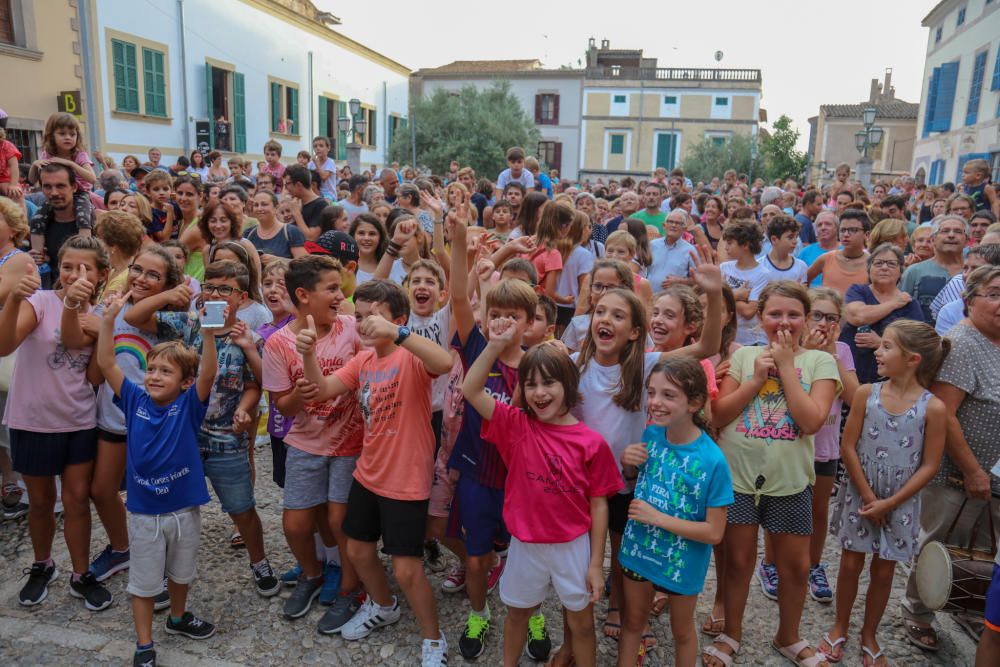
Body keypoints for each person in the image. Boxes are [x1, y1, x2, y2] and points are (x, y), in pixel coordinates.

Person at [297, 279, 452, 667]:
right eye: (361, 316)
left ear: (399, 319)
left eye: (375, 317)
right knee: (357, 549)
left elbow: (444, 363)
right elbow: (321, 389)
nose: (366, 325)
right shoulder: (363, 360)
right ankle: (384, 606)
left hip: (405, 479)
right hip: (369, 474)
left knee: (407, 569)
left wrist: (399, 333)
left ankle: (433, 638)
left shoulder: (410, 355)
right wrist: (310, 354)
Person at [462, 332, 622, 667]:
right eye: (530, 384)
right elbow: (471, 390)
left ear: (568, 384)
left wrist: (595, 565)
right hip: (525, 545)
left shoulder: (592, 443)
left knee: (580, 623)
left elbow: (599, 504)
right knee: (517, 614)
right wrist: (494, 345)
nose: (539, 393)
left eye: (548, 383)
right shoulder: (516, 425)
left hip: (573, 547)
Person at [124, 260, 281, 597]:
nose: (215, 294)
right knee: (174, 507)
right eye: (210, 286)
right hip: (181, 438)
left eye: (225, 289)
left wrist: (243, 408)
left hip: (226, 439)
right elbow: (133, 317)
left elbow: (257, 384)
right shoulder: (186, 326)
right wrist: (170, 292)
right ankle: (167, 573)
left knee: (241, 507)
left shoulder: (248, 337)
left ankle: (259, 562)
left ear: (240, 298)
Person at [705, 281, 840, 667]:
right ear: (760, 317)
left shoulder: (820, 363)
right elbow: (719, 414)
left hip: (790, 480)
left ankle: (788, 635)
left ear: (806, 318)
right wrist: (753, 380)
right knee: (738, 559)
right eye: (775, 314)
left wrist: (785, 368)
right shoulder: (745, 356)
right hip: (738, 478)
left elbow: (812, 420)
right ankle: (732, 631)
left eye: (793, 314)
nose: (784, 321)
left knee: (795, 565)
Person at [447, 201, 551, 661]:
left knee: (528, 557)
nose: (504, 322)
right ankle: (478, 614)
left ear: (530, 324)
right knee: (475, 558)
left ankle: (532, 614)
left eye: (514, 316)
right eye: (497, 314)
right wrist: (456, 243)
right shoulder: (475, 347)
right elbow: (456, 298)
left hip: (524, 481)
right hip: (477, 474)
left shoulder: (539, 367)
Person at [97, 292, 220, 667]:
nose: (153, 376)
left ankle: (179, 618)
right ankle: (144, 644)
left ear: (185, 383)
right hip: (145, 512)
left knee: (182, 572)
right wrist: (108, 320)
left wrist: (211, 333)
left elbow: (209, 373)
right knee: (145, 581)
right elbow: (106, 362)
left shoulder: (187, 405)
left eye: (165, 372)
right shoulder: (134, 399)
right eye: (151, 369)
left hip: (183, 507)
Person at [822, 320, 947, 666]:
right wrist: (867, 495)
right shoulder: (866, 394)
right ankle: (839, 626)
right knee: (849, 562)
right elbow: (848, 447)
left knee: (884, 569)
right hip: (861, 490)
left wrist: (890, 502)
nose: (878, 351)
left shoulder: (933, 407)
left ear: (913, 359)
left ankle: (869, 634)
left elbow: (929, 464)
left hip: (901, 500)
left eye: (887, 346)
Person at [0, 235, 113, 610]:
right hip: (31, 420)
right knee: (41, 502)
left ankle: (81, 574)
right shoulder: (40, 302)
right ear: (57, 268)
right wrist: (14, 297)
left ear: (101, 274)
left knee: (77, 500)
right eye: (67, 267)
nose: (73, 275)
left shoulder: (100, 316)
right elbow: (4, 346)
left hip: (78, 420)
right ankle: (42, 563)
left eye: (84, 268)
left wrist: (101, 335)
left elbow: (96, 378)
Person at [900, 264, 1000, 651]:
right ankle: (917, 610)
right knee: (939, 541)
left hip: (995, 474)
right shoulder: (962, 343)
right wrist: (973, 470)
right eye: (993, 293)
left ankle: (970, 606)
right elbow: (944, 415)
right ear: (970, 301)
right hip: (960, 472)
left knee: (984, 545)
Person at [262, 255, 365, 626]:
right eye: (332, 289)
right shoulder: (278, 344)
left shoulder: (351, 329)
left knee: (340, 520)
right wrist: (301, 394)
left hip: (351, 443)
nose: (341, 296)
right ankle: (312, 574)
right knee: (296, 525)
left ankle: (349, 588)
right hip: (304, 443)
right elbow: (283, 408)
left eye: (341, 288)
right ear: (303, 295)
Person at [617, 357, 733, 667]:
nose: (655, 402)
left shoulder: (713, 461)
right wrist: (629, 463)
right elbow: (636, 480)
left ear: (695, 402)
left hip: (681, 563)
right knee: (632, 623)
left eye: (668, 395)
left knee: (682, 632)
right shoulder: (652, 435)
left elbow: (714, 532)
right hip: (638, 551)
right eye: (651, 392)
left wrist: (658, 518)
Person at [900, 215, 967, 324]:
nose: (951, 235)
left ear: (967, 240)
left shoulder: (976, 272)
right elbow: (900, 310)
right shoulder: (914, 271)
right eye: (945, 231)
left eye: (958, 231)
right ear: (933, 239)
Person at [720, 220, 769, 346]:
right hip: (725, 335)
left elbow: (748, 312)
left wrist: (726, 297)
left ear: (745, 245)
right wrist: (737, 295)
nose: (726, 247)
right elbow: (714, 301)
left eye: (730, 243)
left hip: (750, 339)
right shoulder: (724, 267)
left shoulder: (763, 274)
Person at [807, 209, 871, 296]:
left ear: (866, 235)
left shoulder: (872, 263)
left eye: (853, 230)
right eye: (843, 230)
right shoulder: (826, 258)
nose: (846, 234)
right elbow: (803, 281)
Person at [245, 190, 306, 263]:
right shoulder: (248, 234)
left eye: (264, 204)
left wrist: (278, 260)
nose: (259, 208)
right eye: (256, 205)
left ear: (276, 207)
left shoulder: (291, 232)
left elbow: (304, 264)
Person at [646, 209, 696, 290]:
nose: (673, 225)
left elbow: (697, 280)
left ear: (684, 229)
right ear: (664, 225)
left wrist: (681, 282)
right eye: (670, 222)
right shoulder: (652, 245)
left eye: (678, 223)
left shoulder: (691, 250)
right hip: (649, 297)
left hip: (674, 299)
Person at [761, 214, 808, 285]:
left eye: (796, 236)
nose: (795, 241)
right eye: (790, 237)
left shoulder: (801, 266)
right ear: (774, 239)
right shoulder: (760, 265)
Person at [799, 211, 839, 286]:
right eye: (819, 225)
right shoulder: (806, 252)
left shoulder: (845, 250)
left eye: (828, 224)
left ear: (837, 228)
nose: (823, 228)